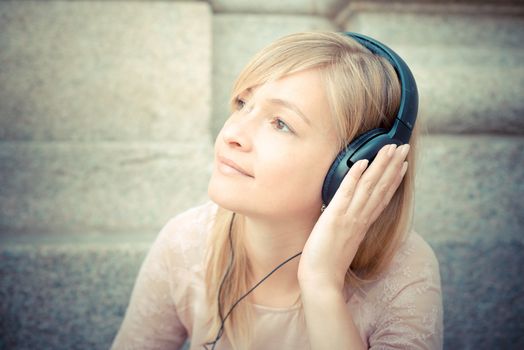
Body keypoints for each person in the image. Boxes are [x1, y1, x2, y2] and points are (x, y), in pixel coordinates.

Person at [111, 31, 443, 350]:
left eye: (281, 123)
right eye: (243, 103)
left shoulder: (402, 270)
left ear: (355, 165)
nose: (232, 134)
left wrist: (321, 284)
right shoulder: (186, 243)